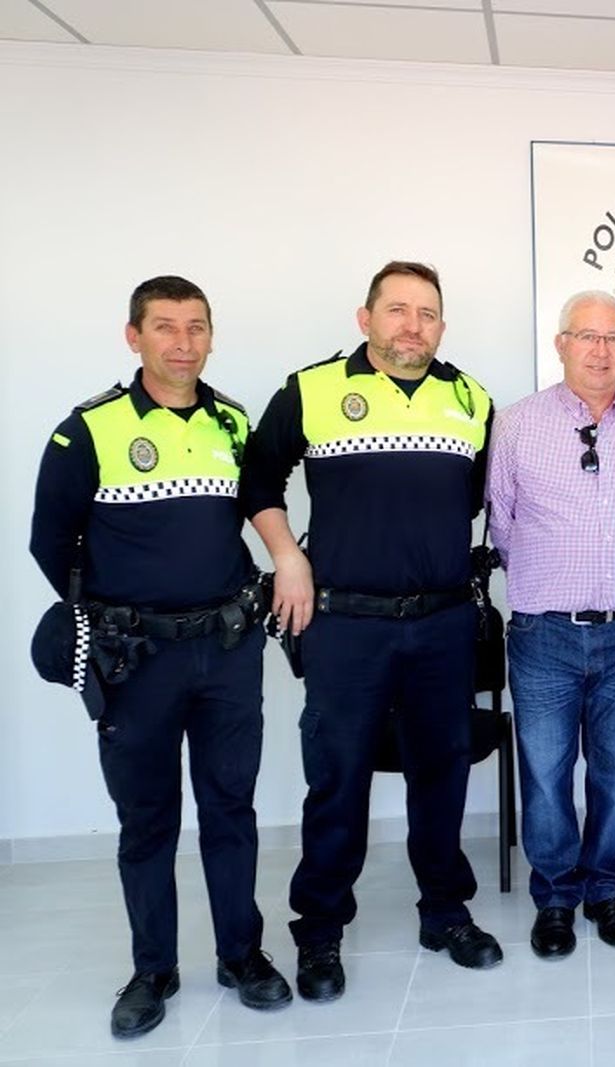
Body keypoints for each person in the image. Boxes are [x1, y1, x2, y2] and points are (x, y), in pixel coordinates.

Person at [29, 276, 290, 1038]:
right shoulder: (89, 431)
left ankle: (242, 954)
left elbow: (259, 506)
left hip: (229, 649)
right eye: (166, 327)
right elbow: (51, 541)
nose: (183, 342)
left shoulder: (234, 423)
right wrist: (116, 613)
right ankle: (153, 969)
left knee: (230, 809)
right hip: (133, 660)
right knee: (146, 819)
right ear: (133, 335)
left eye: (197, 327)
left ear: (211, 336)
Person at [240, 261, 501, 1002]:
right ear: (365, 318)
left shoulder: (471, 398)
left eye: (426, 312)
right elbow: (257, 479)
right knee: (338, 777)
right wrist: (288, 557)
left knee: (442, 773)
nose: (411, 324)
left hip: (444, 623)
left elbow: (480, 498)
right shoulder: (313, 389)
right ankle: (319, 930)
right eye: (396, 309)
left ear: (441, 327)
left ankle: (444, 912)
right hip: (345, 624)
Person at [488, 289, 615, 959]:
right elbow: (502, 523)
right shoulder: (516, 424)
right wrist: (557, 583)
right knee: (546, 773)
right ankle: (555, 896)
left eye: (614, 337)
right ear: (561, 344)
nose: (601, 349)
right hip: (544, 634)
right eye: (587, 336)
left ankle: (605, 887)